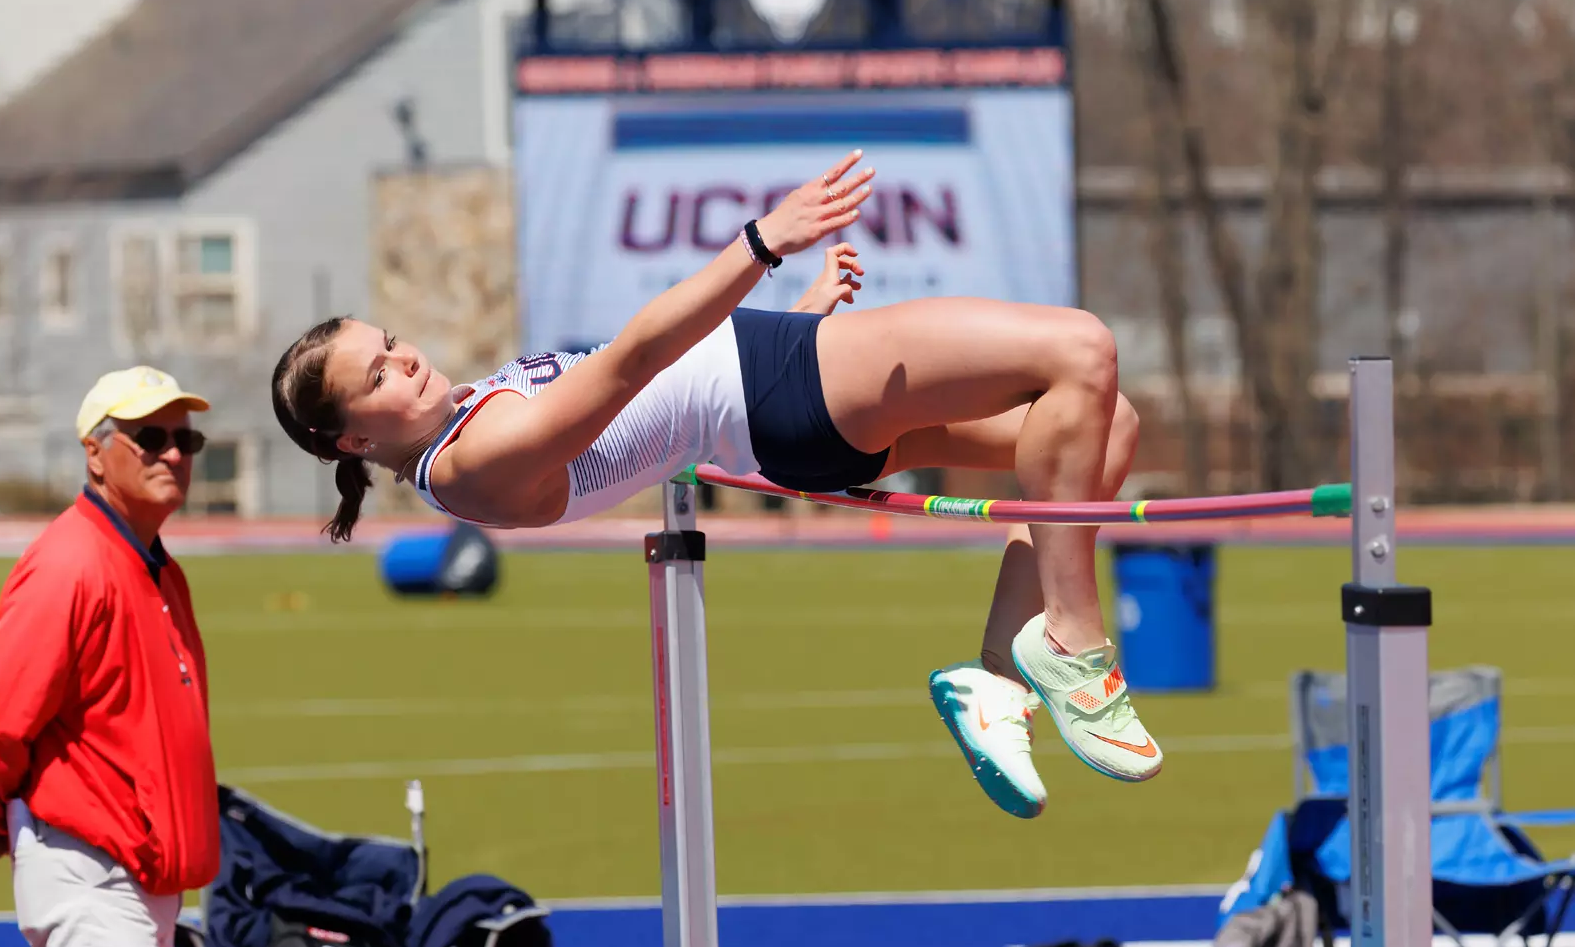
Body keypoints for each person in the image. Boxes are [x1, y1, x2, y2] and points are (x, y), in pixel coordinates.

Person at [271, 149, 1158, 820]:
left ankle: (999, 677)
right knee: (1079, 348)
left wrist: (805, 314)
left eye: (391, 343)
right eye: (379, 376)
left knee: (1101, 424)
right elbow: (635, 361)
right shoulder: (471, 462)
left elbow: (662, 416)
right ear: (348, 436)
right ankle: (1077, 644)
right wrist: (762, 242)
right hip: (773, 386)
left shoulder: (462, 429)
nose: (408, 361)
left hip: (774, 402)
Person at [0, 366, 221, 947]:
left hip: (140, 881)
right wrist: (2, 818)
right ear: (96, 453)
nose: (173, 454)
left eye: (185, 439)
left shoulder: (158, 568)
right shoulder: (71, 563)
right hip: (95, 881)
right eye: (149, 438)